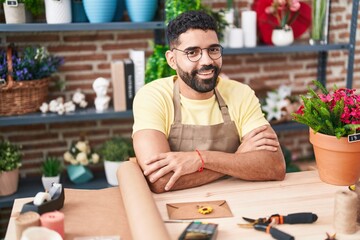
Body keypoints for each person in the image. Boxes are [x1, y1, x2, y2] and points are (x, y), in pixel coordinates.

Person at [132, 10, 286, 193]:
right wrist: (237, 158)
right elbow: (160, 180)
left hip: (240, 198)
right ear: (172, 60)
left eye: (213, 50)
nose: (207, 61)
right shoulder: (153, 96)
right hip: (178, 206)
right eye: (192, 52)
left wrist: (201, 159)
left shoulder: (240, 93)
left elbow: (274, 166)